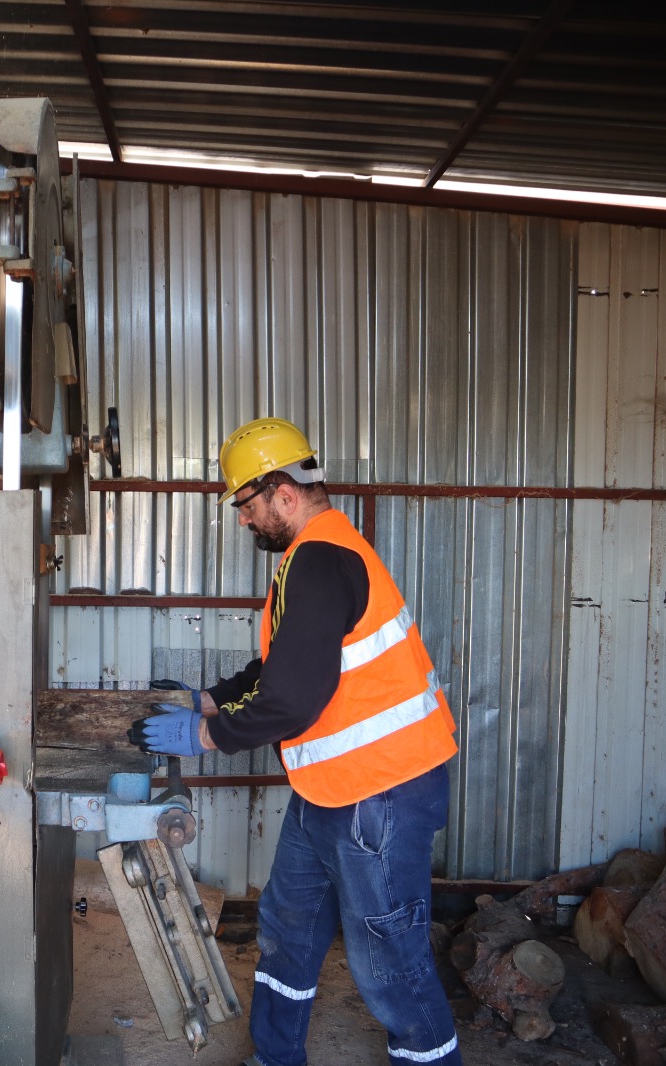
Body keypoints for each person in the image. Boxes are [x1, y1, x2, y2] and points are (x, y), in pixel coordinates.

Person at [131, 418, 462, 1066]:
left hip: (382, 796)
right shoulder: (308, 560)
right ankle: (276, 1056)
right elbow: (279, 667)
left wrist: (204, 734)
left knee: (389, 964)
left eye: (246, 505)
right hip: (330, 791)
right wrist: (210, 699)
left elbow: (289, 699)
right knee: (287, 929)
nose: (244, 520)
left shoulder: (323, 558)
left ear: (282, 489)